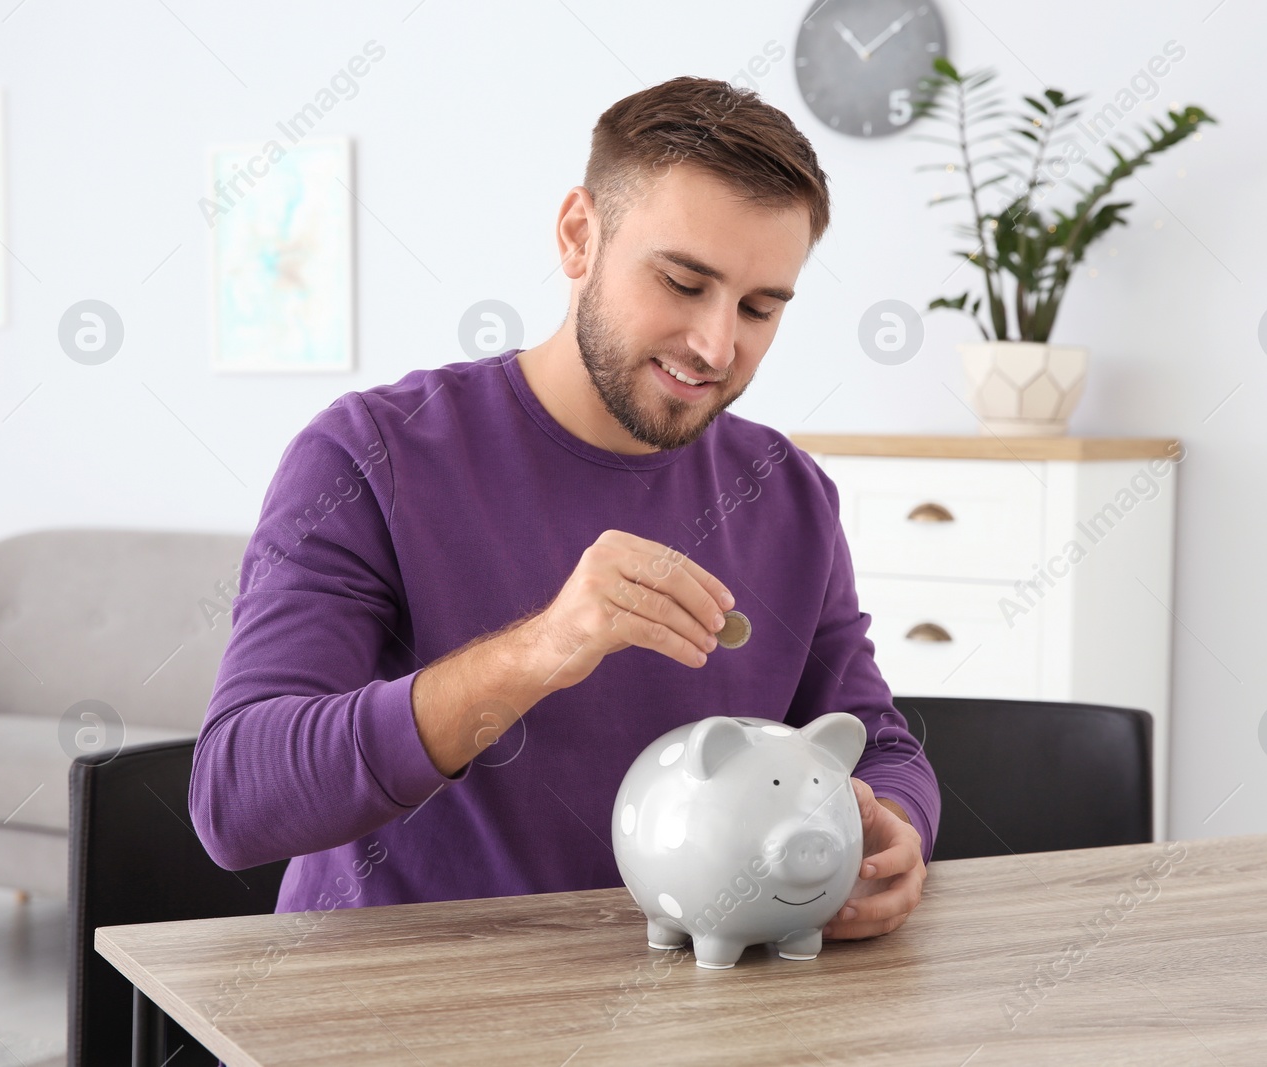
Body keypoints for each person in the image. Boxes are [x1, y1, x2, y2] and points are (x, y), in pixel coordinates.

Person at [189, 75, 939, 945]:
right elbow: (236, 800)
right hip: (399, 1004)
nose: (718, 344)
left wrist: (893, 825)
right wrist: (543, 648)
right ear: (579, 236)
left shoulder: (789, 490)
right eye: (683, 282)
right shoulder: (370, 454)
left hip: (693, 1000)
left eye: (761, 307)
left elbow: (872, 736)